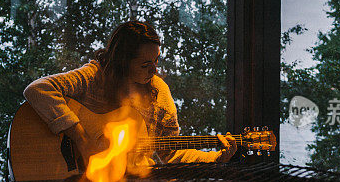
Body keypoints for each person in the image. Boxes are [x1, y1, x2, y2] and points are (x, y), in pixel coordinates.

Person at [23, 20, 237, 165]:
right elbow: (39, 89)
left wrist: (215, 158)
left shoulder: (159, 92)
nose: (154, 70)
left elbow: (170, 152)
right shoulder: (94, 76)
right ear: (122, 61)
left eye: (156, 61)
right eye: (145, 64)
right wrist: (81, 139)